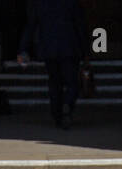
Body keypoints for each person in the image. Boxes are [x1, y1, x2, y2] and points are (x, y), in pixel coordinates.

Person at [19, 0, 88, 129]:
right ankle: (67, 104)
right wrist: (85, 50)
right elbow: (80, 26)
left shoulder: (39, 4)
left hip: (48, 49)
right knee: (72, 82)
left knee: (54, 82)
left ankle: (57, 114)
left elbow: (31, 26)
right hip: (70, 48)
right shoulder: (71, 3)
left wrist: (23, 49)